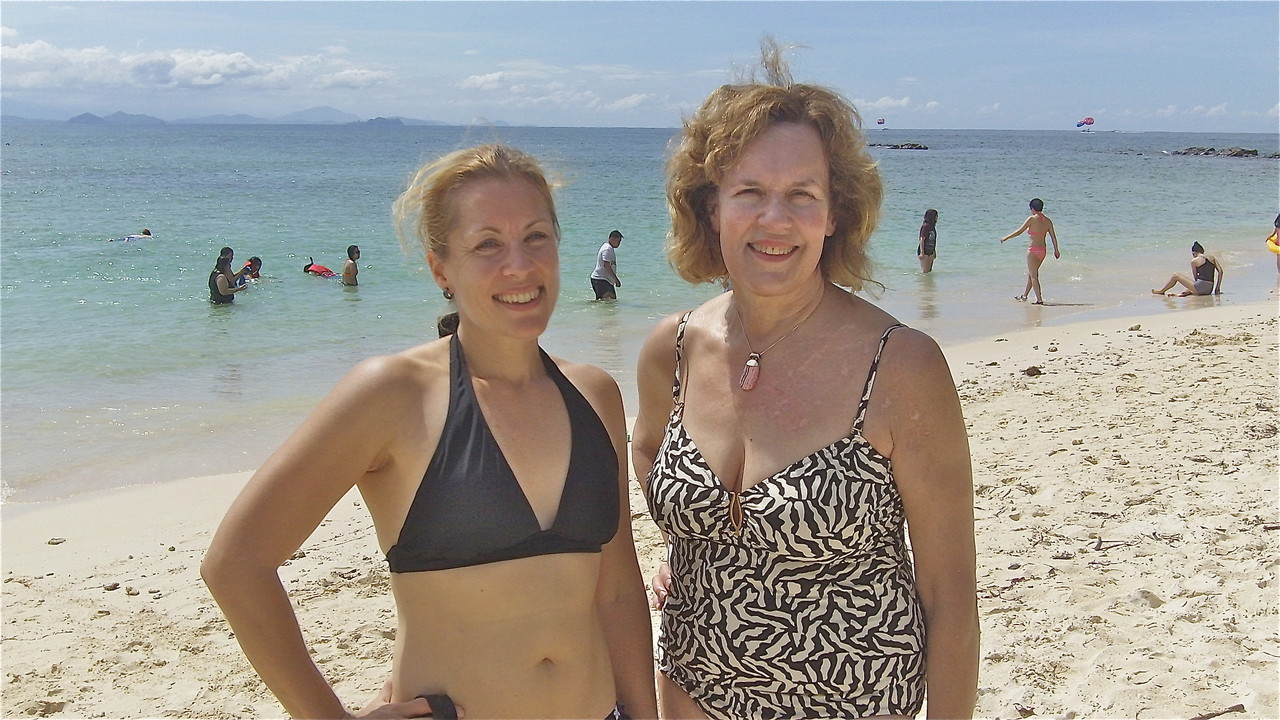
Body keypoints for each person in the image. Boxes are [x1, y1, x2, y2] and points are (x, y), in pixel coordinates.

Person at [202, 144, 656, 720]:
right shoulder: (393, 394)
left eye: (536, 236)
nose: (519, 264)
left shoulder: (594, 394)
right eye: (487, 244)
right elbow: (236, 563)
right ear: (441, 267)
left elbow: (615, 589)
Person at [632, 39, 978, 720]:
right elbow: (645, 448)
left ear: (835, 213)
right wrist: (691, 539)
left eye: (801, 195)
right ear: (711, 208)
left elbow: (951, 595)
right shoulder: (670, 349)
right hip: (692, 689)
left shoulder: (901, 367)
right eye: (750, 192)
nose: (775, 219)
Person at [1000, 198, 1060, 304]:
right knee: (1032, 274)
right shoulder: (1048, 221)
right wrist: (1056, 250)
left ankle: (1039, 299)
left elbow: (1019, 232)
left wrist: (1006, 237)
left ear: (1032, 209)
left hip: (1033, 251)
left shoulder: (1032, 219)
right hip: (1043, 251)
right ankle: (1024, 296)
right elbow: (1053, 237)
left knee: (1034, 276)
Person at [1151, 241, 1223, 296]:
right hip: (1209, 289)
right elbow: (1220, 271)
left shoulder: (1194, 261)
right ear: (1202, 251)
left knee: (1176, 275)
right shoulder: (1212, 258)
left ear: (1193, 253)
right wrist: (1217, 288)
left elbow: (1196, 278)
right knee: (1190, 287)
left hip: (1200, 288)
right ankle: (1180, 295)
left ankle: (1162, 291)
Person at [590, 230, 624, 300]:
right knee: (604, 301)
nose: (619, 243)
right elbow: (606, 265)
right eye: (618, 241)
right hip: (600, 279)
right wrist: (616, 279)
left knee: (612, 300)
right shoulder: (607, 249)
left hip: (606, 280)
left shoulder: (609, 248)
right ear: (612, 239)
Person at [918, 208, 939, 273]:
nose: (937, 218)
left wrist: (934, 251)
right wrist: (922, 252)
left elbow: (933, 240)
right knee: (925, 271)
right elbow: (922, 239)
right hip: (925, 251)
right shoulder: (925, 226)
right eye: (936, 216)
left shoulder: (932, 227)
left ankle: (928, 283)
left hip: (931, 251)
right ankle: (922, 282)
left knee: (929, 271)